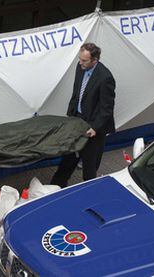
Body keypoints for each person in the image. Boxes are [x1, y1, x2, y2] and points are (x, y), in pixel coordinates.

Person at [50, 42, 115, 188]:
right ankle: (56, 185)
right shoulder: (80, 68)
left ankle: (89, 191)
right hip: (78, 119)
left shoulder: (105, 78)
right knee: (69, 156)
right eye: (80, 59)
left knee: (89, 166)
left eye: (84, 60)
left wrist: (95, 128)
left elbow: (107, 108)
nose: (80, 63)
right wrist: (70, 115)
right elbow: (76, 93)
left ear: (95, 60)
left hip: (93, 125)